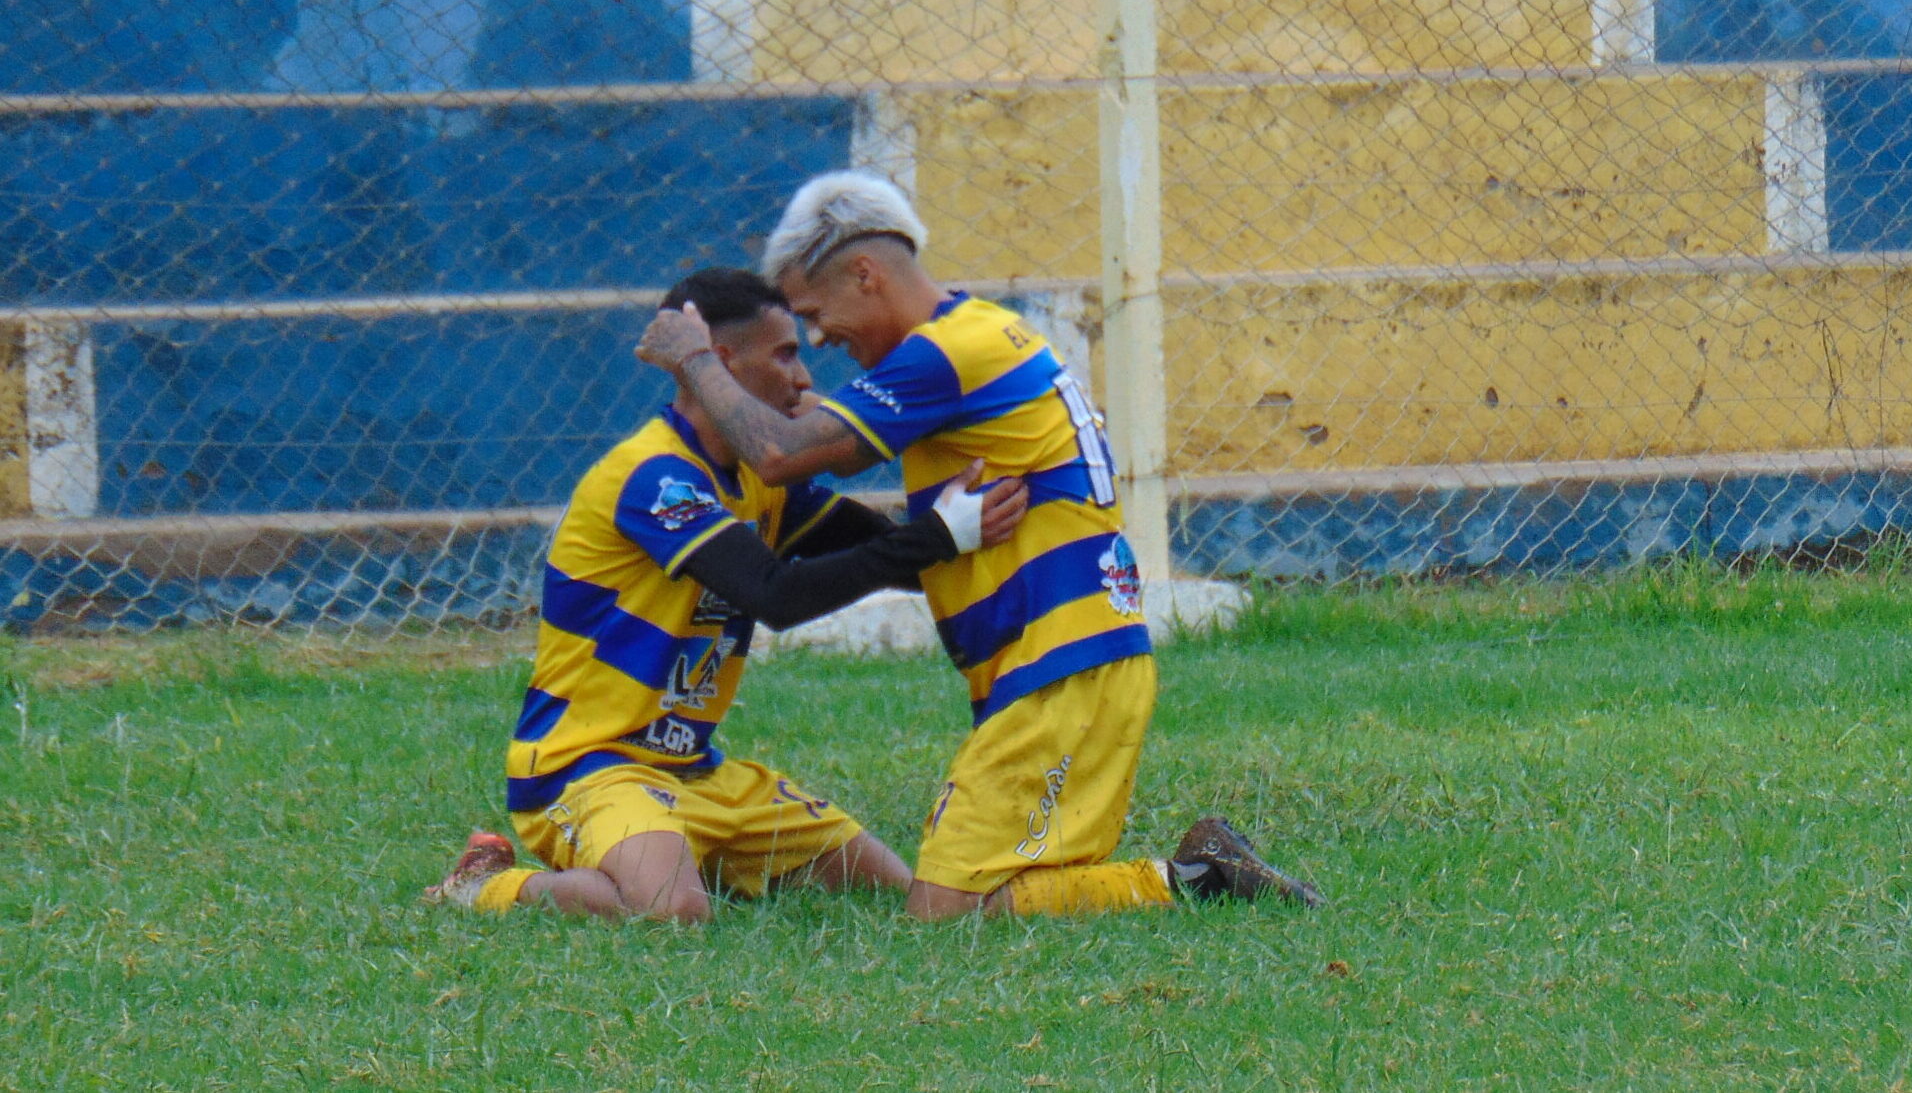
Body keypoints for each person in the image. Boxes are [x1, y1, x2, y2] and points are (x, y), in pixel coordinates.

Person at [634, 172, 1320, 920]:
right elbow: (850, 490)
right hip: (1074, 659)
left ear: (865, 273)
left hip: (1059, 666)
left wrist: (696, 360)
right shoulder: (983, 335)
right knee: (1003, 892)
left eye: (815, 313)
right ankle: (1194, 875)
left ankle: (1195, 880)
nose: (821, 339)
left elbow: (780, 452)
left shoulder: (946, 354)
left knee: (944, 910)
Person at [427, 268, 1027, 922]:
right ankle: (484, 886)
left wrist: (973, 512)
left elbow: (890, 554)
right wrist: (938, 536)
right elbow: (775, 594)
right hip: (590, 770)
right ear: (721, 364)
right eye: (786, 354)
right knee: (672, 913)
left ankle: (673, 850)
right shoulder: (655, 477)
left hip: (697, 773)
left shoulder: (759, 482)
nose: (804, 379)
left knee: (886, 887)